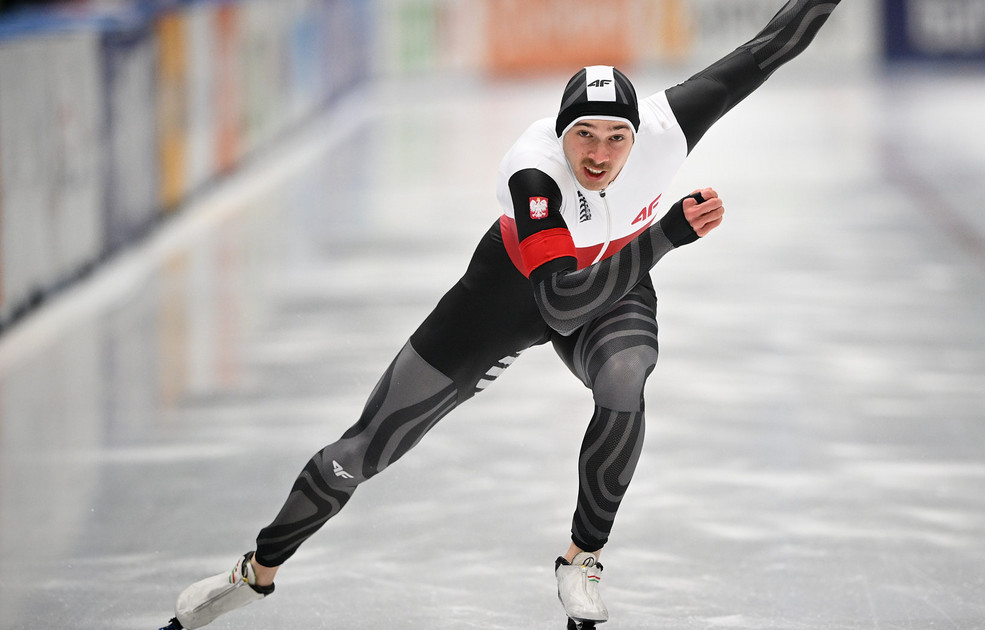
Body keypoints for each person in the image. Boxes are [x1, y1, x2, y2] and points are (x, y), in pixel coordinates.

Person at [159, 1, 841, 628]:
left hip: (616, 280)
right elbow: (558, 304)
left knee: (626, 373)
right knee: (365, 451)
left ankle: (581, 561)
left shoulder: (668, 128)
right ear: (560, 132)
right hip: (512, 293)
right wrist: (664, 236)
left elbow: (774, 43)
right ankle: (254, 574)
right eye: (584, 137)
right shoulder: (535, 171)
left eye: (615, 139)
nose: (599, 155)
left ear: (641, 135)